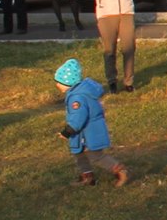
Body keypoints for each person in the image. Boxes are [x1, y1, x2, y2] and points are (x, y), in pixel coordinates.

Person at [55, 57, 129, 186]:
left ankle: (120, 170)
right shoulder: (77, 92)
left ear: (68, 82)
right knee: (79, 153)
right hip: (82, 133)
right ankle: (87, 177)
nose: (57, 84)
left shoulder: (77, 98)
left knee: (96, 155)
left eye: (59, 82)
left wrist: (67, 132)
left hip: (89, 132)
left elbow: (78, 118)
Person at [88, 0, 139, 90]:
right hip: (107, 14)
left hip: (126, 12)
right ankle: (111, 80)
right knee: (110, 49)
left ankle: (129, 81)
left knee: (129, 47)